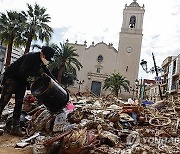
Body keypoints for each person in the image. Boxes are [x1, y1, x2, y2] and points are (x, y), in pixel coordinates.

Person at [0, 46, 56, 136]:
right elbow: (22, 71)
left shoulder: (41, 61)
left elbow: (46, 70)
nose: (47, 60)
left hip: (21, 80)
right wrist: (39, 74)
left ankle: (15, 127)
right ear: (42, 54)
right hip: (12, 77)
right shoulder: (31, 56)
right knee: (4, 101)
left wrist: (54, 81)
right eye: (47, 57)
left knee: (19, 103)